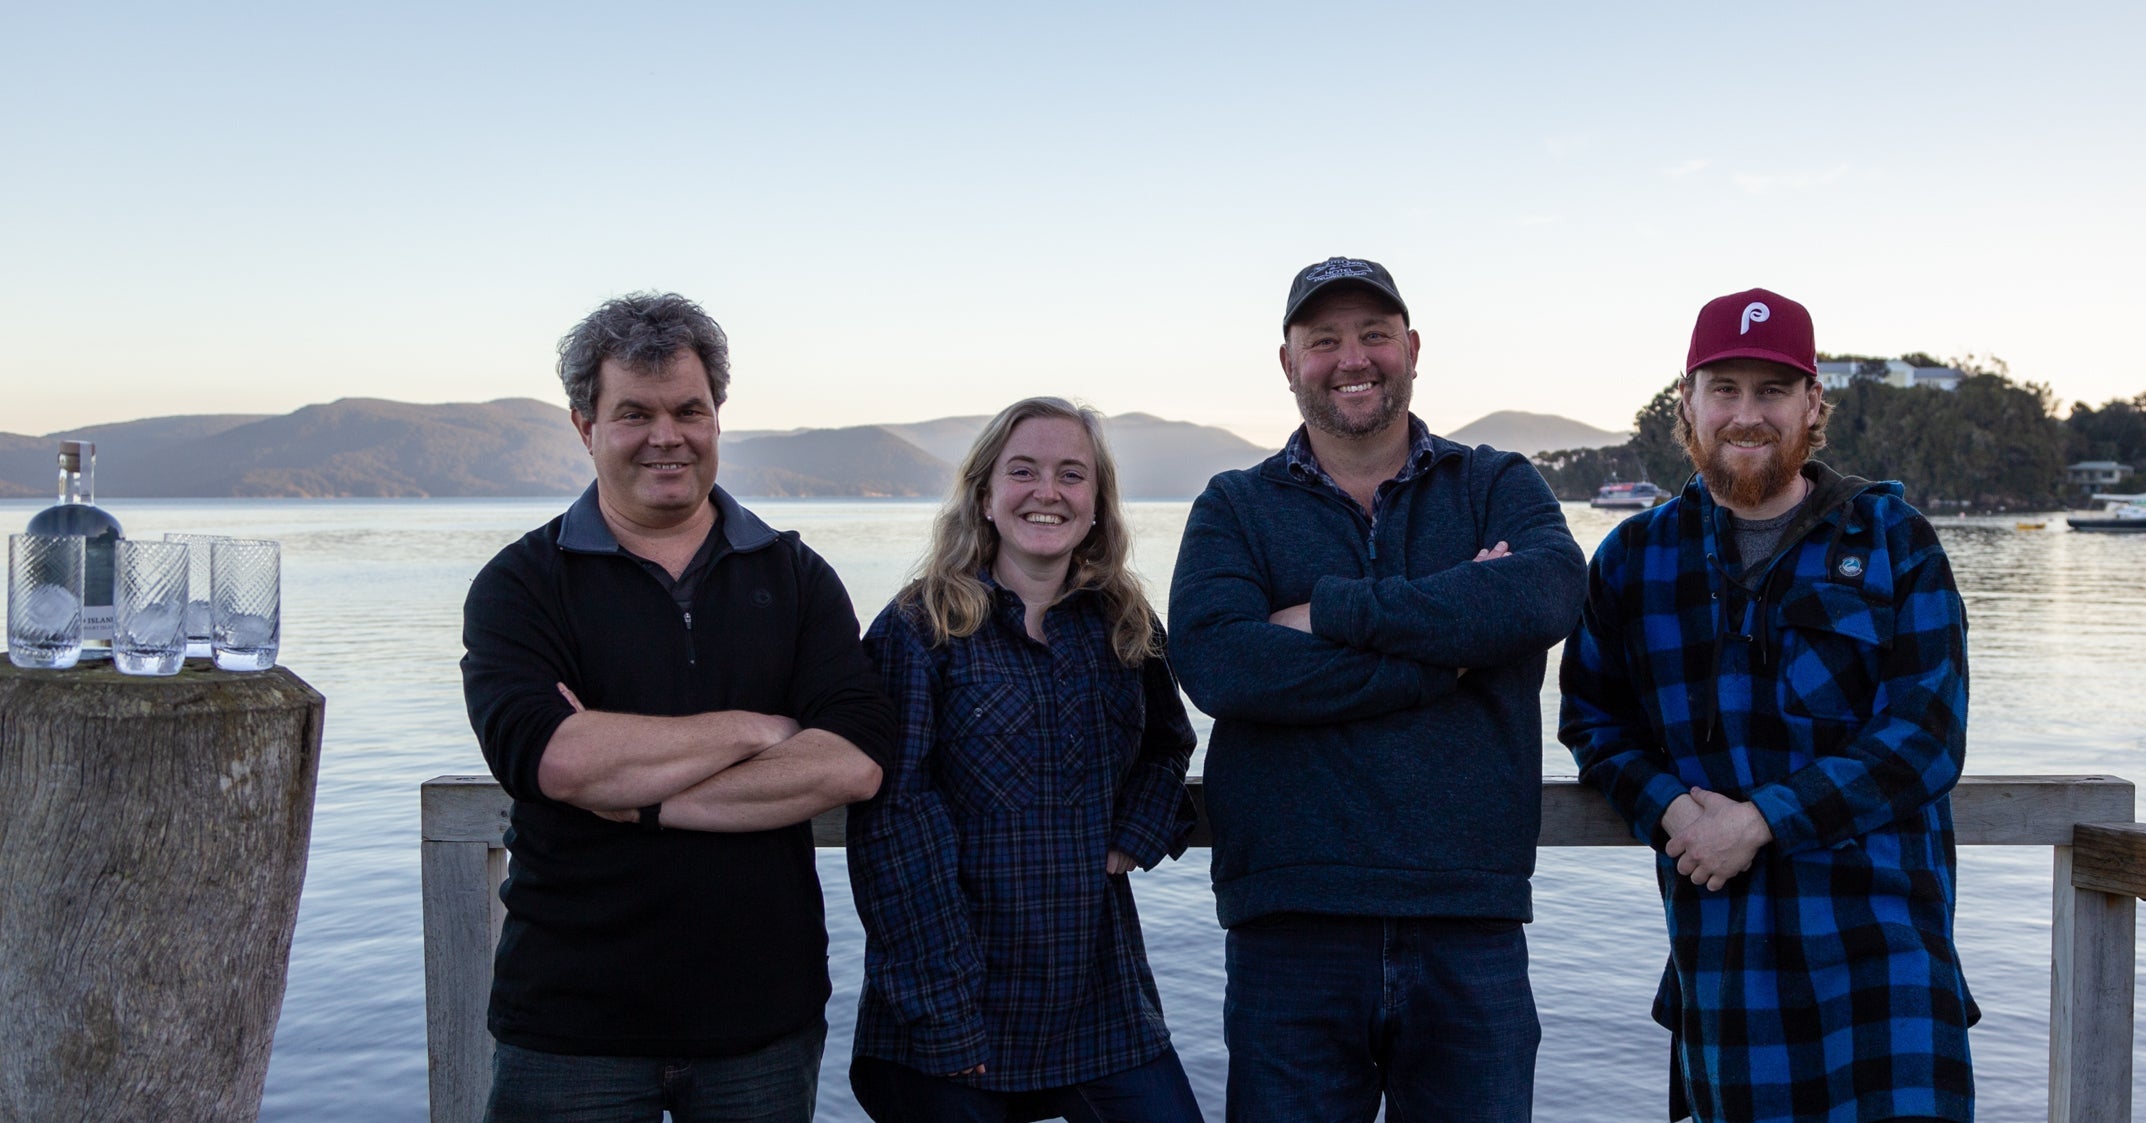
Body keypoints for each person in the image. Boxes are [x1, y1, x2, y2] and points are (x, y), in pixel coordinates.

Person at [1166, 257, 1585, 1122]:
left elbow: (1546, 592)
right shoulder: (1234, 506)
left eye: (1373, 335)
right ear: (1288, 363)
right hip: (1291, 926)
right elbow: (1218, 663)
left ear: (1412, 348)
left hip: (1469, 922)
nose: (1352, 358)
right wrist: (1449, 649)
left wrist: (1325, 609)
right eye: (1324, 340)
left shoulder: (1496, 482)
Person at [460, 291, 897, 1121]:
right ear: (586, 427)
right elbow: (551, 756)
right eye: (635, 413)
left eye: (689, 409)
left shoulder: (796, 577)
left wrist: (646, 798)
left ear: (717, 417)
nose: (667, 435)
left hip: (761, 1024)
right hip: (569, 1026)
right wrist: (758, 728)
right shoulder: (520, 585)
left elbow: (855, 756)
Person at [1558, 287, 1980, 1123]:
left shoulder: (1895, 540)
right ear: (1687, 401)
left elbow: (1928, 733)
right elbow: (1591, 721)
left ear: (1812, 403)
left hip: (1887, 962)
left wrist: (1758, 822)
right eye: (1725, 389)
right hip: (1726, 965)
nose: (1746, 413)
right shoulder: (1633, 560)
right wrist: (1673, 809)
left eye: (1772, 390)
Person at [847, 397, 1205, 1123]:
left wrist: (1134, 834)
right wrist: (944, 1011)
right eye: (1023, 471)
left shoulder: (1124, 623)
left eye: (1072, 474)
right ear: (984, 495)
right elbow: (893, 826)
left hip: (1098, 991)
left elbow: (1169, 742)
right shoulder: (920, 627)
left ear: (1097, 503)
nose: (1048, 491)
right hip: (955, 995)